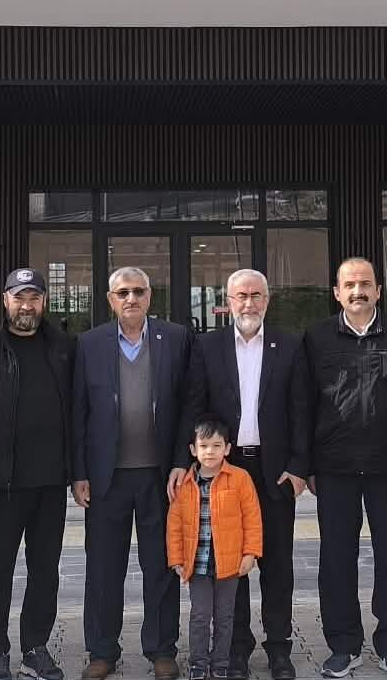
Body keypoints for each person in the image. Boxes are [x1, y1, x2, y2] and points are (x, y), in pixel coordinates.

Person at [181, 270, 311, 680]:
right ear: (228, 301)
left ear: (267, 300)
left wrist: (298, 467)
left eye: (256, 295)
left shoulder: (289, 346)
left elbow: (301, 409)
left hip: (275, 473)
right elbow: (195, 406)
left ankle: (279, 648)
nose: (249, 303)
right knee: (230, 562)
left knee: (277, 564)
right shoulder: (207, 346)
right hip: (226, 473)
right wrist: (194, 462)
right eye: (241, 296)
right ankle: (236, 648)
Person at [301, 257, 387, 680]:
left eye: (365, 284)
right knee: (336, 559)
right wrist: (306, 463)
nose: (358, 291)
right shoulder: (316, 337)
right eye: (349, 285)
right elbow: (305, 403)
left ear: (378, 290)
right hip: (333, 467)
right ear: (337, 292)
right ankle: (343, 644)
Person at [74, 267, 196, 680]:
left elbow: (189, 404)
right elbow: (78, 412)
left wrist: (181, 461)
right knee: (103, 568)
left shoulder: (176, 339)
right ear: (111, 299)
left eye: (138, 291)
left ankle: (161, 649)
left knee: (160, 566)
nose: (131, 298)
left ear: (150, 296)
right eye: (122, 292)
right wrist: (79, 472)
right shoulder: (89, 344)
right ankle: (102, 651)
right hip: (106, 478)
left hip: (160, 478)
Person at [0, 268, 77, 680]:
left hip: (51, 483)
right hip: (1, 485)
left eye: (34, 297)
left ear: (44, 302)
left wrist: (76, 472)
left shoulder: (63, 346)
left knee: (45, 571)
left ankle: (35, 647)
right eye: (19, 297)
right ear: (5, 300)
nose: (27, 306)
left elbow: (77, 410)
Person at [166, 415, 264, 680]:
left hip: (229, 564)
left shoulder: (240, 479)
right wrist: (176, 559)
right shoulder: (185, 484)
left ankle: (221, 662)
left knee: (224, 616)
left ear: (228, 449)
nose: (210, 452)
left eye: (217, 446)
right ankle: (198, 663)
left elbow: (252, 518)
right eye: (204, 446)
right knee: (200, 615)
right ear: (193, 449)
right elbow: (174, 525)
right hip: (197, 564)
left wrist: (250, 553)